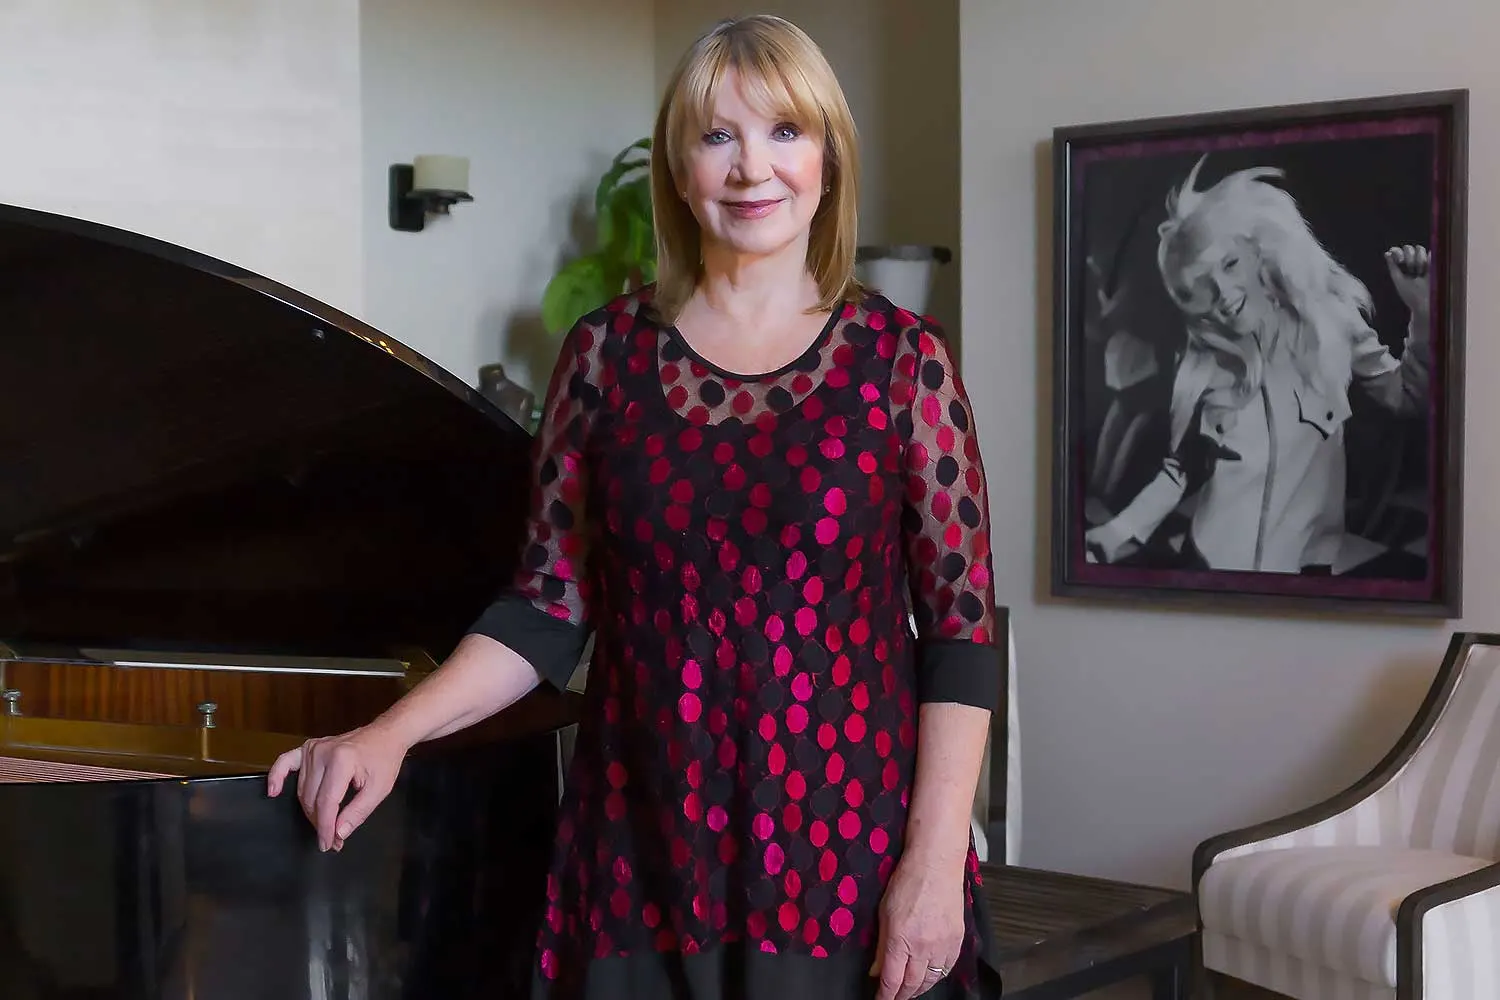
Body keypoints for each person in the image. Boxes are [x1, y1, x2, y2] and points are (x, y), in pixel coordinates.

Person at [267, 14, 1003, 1000]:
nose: (753, 168)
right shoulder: (606, 356)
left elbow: (958, 637)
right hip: (643, 854)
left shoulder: (901, 362)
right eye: (718, 136)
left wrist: (933, 861)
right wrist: (389, 731)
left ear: (829, 156)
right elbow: (543, 611)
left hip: (844, 858)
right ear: (679, 165)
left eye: (786, 132)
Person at [1084, 154, 1433, 573]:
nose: (1223, 292)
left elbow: (1408, 397)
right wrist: (1118, 531)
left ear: (1257, 250)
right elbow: (1178, 472)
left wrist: (1424, 313)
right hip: (1207, 564)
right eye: (1203, 284)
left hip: (1306, 573)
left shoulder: (1334, 321)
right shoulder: (1202, 360)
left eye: (1230, 264)